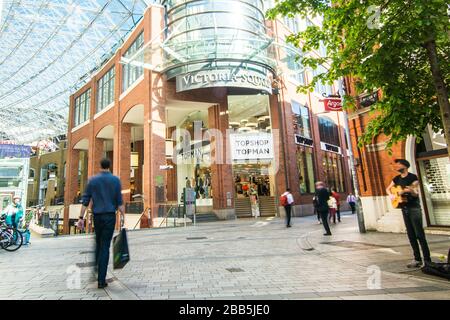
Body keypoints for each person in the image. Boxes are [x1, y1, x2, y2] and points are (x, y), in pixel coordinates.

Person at [78, 159, 125, 289]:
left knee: (98, 242)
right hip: (110, 216)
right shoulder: (115, 180)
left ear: (100, 166)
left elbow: (85, 201)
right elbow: (120, 202)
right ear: (109, 166)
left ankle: (97, 268)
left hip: (97, 217)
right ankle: (101, 279)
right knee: (105, 246)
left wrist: (80, 217)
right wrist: (123, 217)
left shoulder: (93, 180)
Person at [386, 159, 431, 268]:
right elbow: (388, 188)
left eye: (399, 165)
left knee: (419, 234)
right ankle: (417, 259)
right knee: (411, 235)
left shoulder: (413, 177)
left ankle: (427, 260)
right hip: (404, 208)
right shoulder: (396, 179)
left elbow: (416, 193)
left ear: (405, 166)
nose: (397, 167)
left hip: (414, 208)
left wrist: (407, 190)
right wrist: (391, 195)